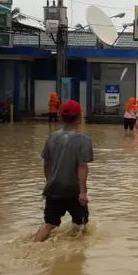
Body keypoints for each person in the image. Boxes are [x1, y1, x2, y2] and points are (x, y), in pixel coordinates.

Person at [34, 100, 94, 242]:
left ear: (61, 117)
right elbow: (82, 167)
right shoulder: (84, 140)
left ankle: (34, 245)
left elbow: (46, 164)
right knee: (82, 226)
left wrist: (49, 183)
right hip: (73, 190)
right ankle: (77, 258)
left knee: (49, 224)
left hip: (53, 188)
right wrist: (83, 192)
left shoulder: (52, 137)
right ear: (80, 116)